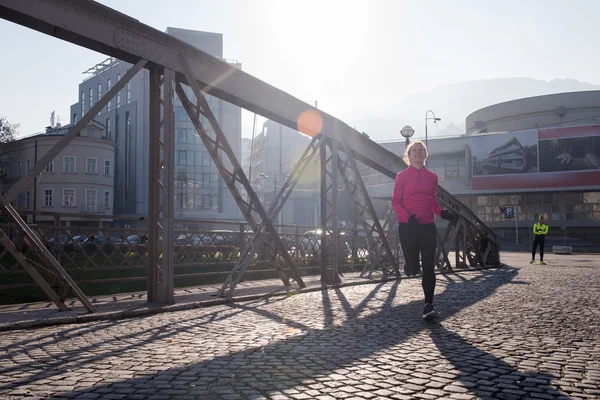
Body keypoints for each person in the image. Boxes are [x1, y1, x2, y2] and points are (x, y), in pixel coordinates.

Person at [392, 140, 455, 319]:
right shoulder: (402, 176)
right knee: (413, 269)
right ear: (409, 155)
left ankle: (429, 305)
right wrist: (407, 217)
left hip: (427, 226)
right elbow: (396, 202)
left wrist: (442, 213)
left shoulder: (432, 177)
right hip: (408, 227)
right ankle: (409, 264)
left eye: (421, 150)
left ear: (425, 155)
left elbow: (433, 201)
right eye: (414, 150)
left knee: (428, 266)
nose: (418, 153)